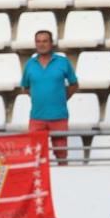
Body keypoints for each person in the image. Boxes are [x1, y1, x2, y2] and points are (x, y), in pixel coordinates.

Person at [20, 30, 78, 165]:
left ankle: (64, 181)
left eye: (45, 41)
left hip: (59, 116)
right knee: (36, 154)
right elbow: (26, 88)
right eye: (38, 41)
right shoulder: (29, 64)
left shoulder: (63, 62)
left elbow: (74, 84)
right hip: (37, 117)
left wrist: (61, 98)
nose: (41, 44)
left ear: (51, 43)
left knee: (61, 154)